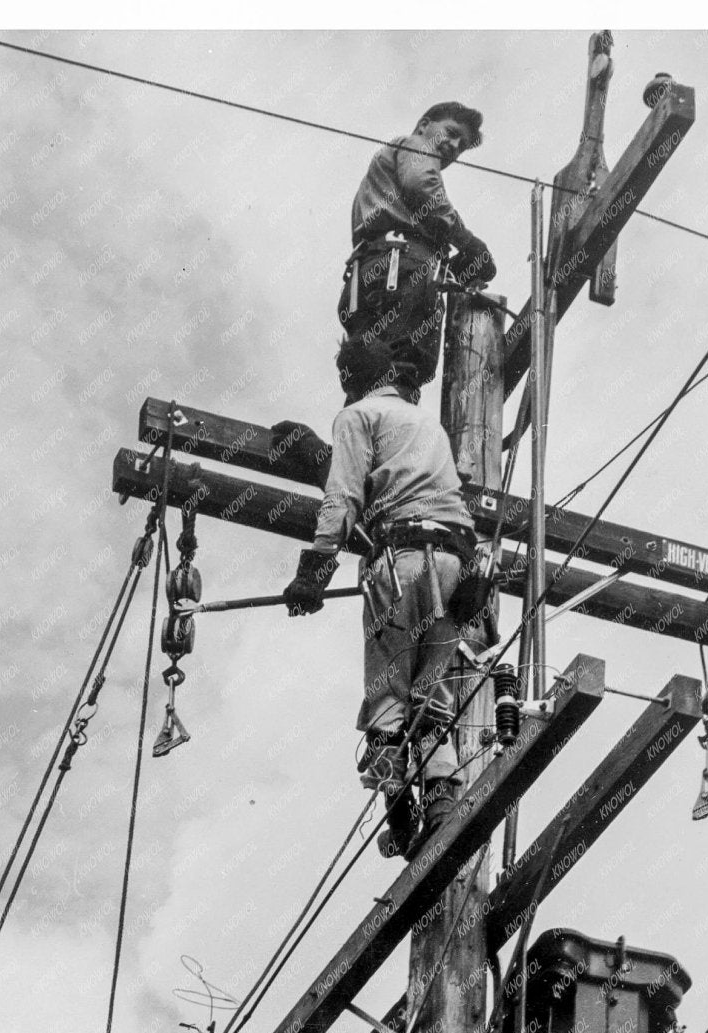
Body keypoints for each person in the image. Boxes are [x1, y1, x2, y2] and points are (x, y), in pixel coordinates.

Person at [282, 334, 479, 858]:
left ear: (351, 380)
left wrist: (314, 572)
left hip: (403, 561)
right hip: (456, 565)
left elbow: (342, 496)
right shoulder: (423, 422)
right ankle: (440, 803)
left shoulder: (356, 418)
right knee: (431, 693)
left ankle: (403, 818)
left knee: (388, 694)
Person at [339, 102, 496, 394]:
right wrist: (469, 242)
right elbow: (422, 189)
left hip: (373, 271)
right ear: (424, 125)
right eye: (450, 133)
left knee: (367, 369)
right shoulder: (416, 145)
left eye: (460, 145)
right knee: (403, 367)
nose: (453, 145)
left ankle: (362, 431)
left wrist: (450, 264)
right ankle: (396, 433)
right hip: (399, 270)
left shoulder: (385, 173)